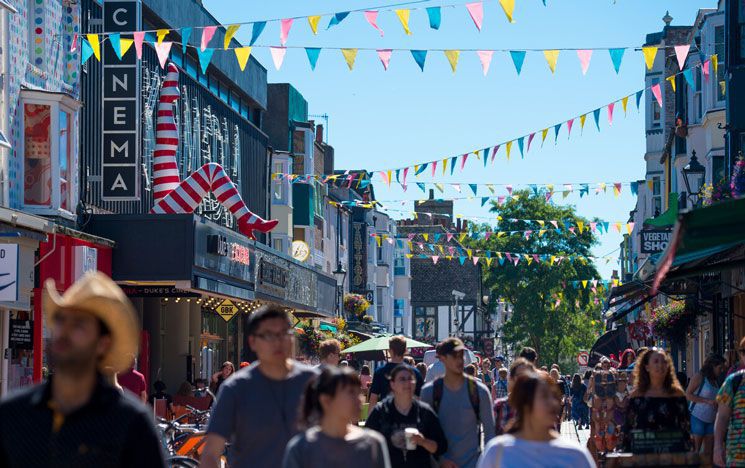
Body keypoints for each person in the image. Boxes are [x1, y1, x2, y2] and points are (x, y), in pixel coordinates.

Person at [0, 271, 165, 467]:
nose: (64, 332)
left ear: (103, 343)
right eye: (60, 320)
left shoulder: (132, 424)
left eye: (78, 324)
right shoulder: (13, 413)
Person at [201, 306, 319, 468]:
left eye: (285, 333)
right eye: (269, 335)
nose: (279, 341)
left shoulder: (312, 382)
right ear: (253, 342)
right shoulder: (236, 388)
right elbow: (210, 453)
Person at [476, 371, 595, 468]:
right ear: (525, 404)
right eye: (544, 397)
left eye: (555, 396)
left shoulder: (575, 455)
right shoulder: (497, 452)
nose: (553, 403)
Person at [283, 366, 390, 468]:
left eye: (359, 393)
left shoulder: (373, 444)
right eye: (351, 392)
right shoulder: (301, 449)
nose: (360, 399)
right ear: (326, 401)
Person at [421, 338, 495, 468]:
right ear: (442, 358)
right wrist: (440, 460)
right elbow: (424, 433)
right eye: (454, 355)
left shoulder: (479, 392)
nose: (460, 360)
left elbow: (490, 433)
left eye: (461, 355)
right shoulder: (430, 392)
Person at [366, 364, 448, 467]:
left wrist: (423, 441)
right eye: (402, 379)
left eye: (410, 379)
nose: (407, 383)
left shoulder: (424, 412)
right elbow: (366, 444)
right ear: (392, 384)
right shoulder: (381, 412)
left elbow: (441, 447)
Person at [622, 348, 690, 454]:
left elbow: (685, 426)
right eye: (656, 361)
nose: (661, 365)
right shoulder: (637, 395)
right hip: (644, 455)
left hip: (672, 455)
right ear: (647, 367)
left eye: (664, 361)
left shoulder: (677, 394)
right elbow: (629, 427)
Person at [686, 354, 725, 460]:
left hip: (711, 419)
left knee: (708, 453)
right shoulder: (699, 377)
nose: (721, 370)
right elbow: (688, 394)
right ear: (712, 366)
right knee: (696, 451)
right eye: (719, 368)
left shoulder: (715, 381)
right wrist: (706, 401)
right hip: (697, 417)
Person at [715, 337, 745, 467]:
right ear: (742, 355)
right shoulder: (733, 381)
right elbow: (722, 416)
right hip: (738, 456)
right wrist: (717, 447)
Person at [369, 336, 423, 407]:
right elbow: (420, 399)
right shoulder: (415, 373)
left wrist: (371, 417)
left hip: (387, 414)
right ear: (405, 350)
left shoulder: (380, 372)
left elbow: (373, 399)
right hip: (409, 415)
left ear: (390, 351)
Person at [495, 358, 535, 436]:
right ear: (512, 378)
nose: (524, 379)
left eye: (528, 375)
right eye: (520, 375)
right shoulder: (500, 406)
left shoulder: (540, 405)